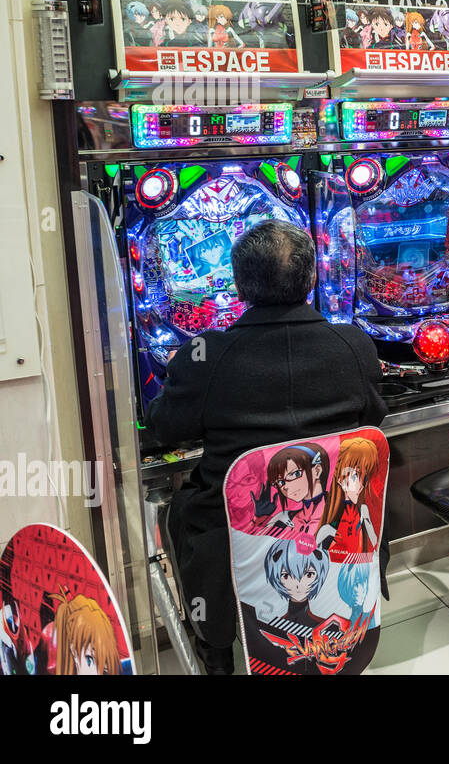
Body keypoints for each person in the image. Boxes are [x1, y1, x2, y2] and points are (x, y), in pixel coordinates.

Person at [149, 220, 387, 675]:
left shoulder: (206, 355)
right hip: (336, 523)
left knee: (178, 507)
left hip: (232, 539)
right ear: (312, 277)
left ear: (238, 285)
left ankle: (214, 644)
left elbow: (165, 428)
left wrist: (177, 375)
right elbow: (371, 421)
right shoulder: (353, 345)